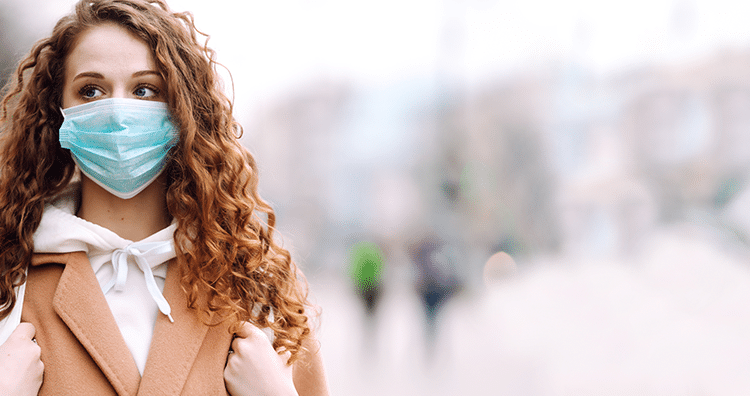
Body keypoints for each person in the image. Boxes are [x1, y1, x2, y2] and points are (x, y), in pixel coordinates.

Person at [0, 0, 329, 394]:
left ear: (182, 111)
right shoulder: (10, 283)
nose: (118, 111)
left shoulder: (255, 290)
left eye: (145, 89)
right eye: (90, 90)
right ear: (58, 112)